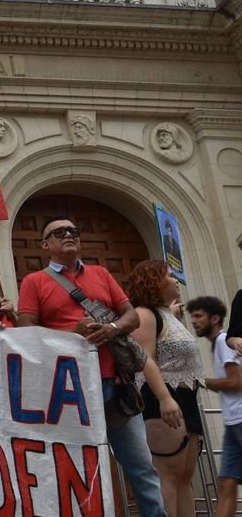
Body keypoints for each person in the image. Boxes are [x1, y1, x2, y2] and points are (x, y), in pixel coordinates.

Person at [17, 216, 173, 517]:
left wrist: (112, 328)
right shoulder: (34, 282)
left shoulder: (101, 274)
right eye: (58, 232)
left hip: (114, 384)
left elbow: (132, 317)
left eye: (73, 231)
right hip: (69, 391)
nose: (68, 235)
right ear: (45, 244)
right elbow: (26, 331)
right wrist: (70, 335)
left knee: (142, 467)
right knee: (78, 471)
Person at [126, 260, 203, 517]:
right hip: (162, 398)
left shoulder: (167, 313)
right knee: (167, 476)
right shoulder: (146, 315)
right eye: (170, 276)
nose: (176, 281)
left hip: (187, 397)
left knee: (185, 476)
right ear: (154, 282)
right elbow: (145, 358)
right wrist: (164, 398)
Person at [186, 296, 242, 517]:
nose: (194, 321)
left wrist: (199, 381)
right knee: (227, 484)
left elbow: (235, 382)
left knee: (226, 484)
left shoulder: (223, 341)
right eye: (192, 316)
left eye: (199, 316)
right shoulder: (219, 344)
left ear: (215, 318)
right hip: (233, 423)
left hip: (240, 418)